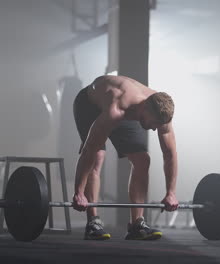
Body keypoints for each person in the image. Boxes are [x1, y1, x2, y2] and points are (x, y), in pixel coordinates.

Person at [72, 75, 178, 240]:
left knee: (143, 160)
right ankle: (93, 222)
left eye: (157, 125)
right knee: (98, 155)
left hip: (127, 109)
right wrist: (78, 192)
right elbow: (89, 151)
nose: (153, 129)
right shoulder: (117, 108)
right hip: (89, 104)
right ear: (144, 108)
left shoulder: (161, 115)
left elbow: (170, 154)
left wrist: (171, 192)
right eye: (152, 124)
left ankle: (137, 225)